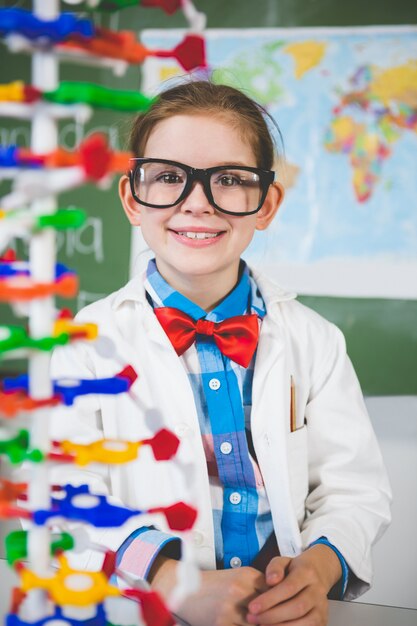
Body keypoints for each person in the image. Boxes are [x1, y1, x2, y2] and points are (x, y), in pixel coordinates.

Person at [50, 80, 391, 626]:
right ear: (131, 198)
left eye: (230, 180)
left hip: (278, 611)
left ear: (267, 204)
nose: (197, 202)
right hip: (138, 607)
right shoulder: (85, 345)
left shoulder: (315, 339)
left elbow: (355, 490)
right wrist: (169, 579)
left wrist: (320, 570)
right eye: (167, 177)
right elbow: (68, 498)